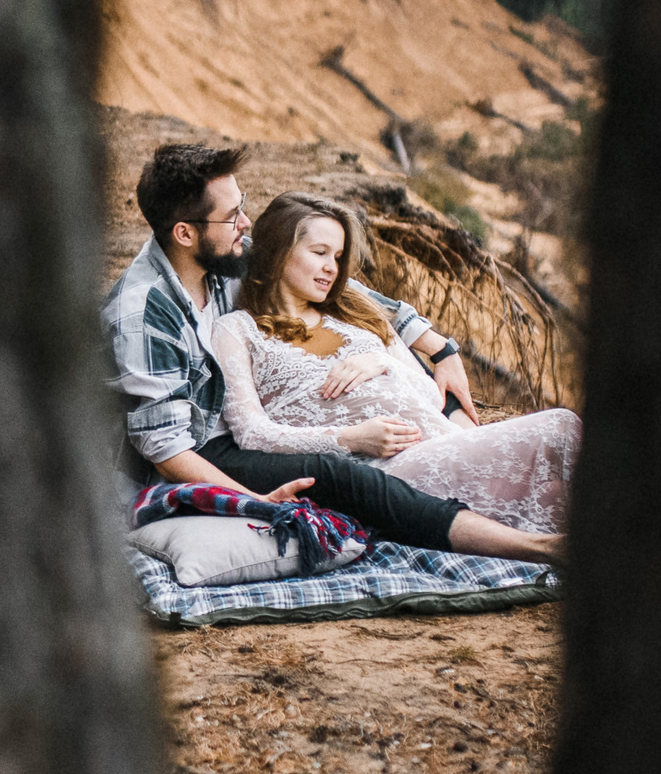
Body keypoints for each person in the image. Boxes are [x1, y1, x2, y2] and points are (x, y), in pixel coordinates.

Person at [101, 143, 561, 563]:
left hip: (248, 424)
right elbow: (167, 452)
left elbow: (334, 288)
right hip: (205, 449)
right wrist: (258, 502)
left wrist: (438, 346)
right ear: (184, 232)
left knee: (420, 373)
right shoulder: (141, 313)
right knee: (339, 474)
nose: (245, 224)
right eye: (233, 216)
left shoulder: (219, 255)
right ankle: (535, 548)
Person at [210, 193, 577, 560]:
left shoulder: (356, 316)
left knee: (557, 492)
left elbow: (432, 398)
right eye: (319, 253)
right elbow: (252, 433)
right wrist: (350, 439)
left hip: (443, 443)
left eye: (337, 258)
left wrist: (381, 362)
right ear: (277, 252)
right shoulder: (237, 330)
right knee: (560, 429)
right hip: (384, 474)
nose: (331, 268)